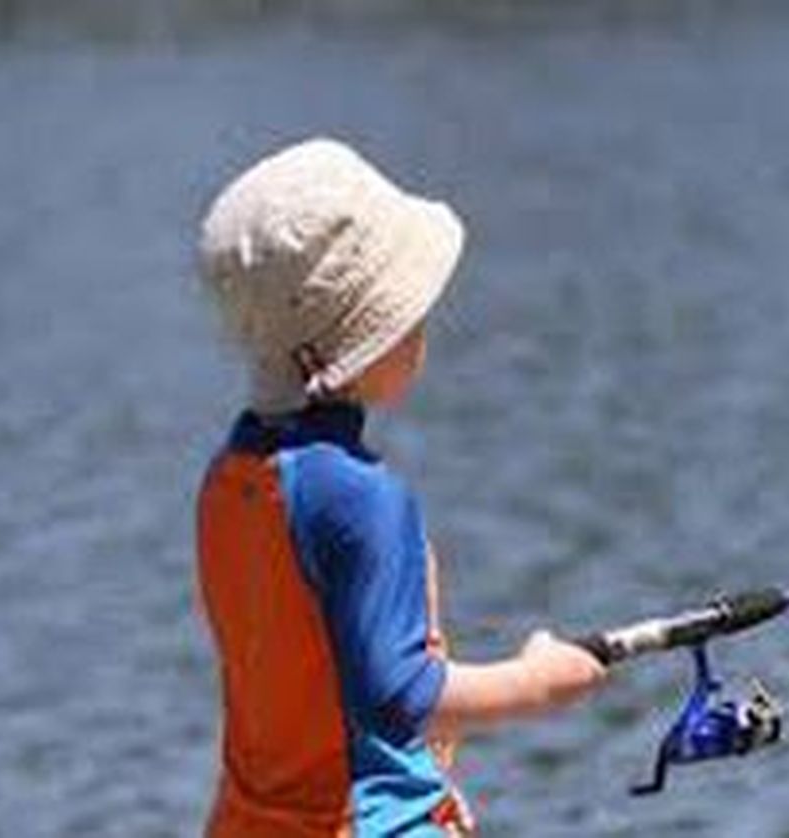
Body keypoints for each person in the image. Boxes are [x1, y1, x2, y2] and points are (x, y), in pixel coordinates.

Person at [194, 137, 606, 836]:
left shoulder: (230, 482)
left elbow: (310, 684)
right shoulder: (358, 495)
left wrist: (417, 764)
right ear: (360, 341)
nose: (422, 331)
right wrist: (539, 683)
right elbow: (402, 694)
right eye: (409, 315)